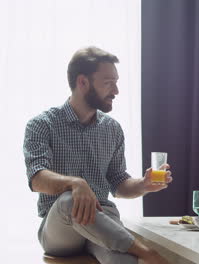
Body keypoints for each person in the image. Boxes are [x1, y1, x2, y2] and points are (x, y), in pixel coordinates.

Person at [23, 46, 172, 264]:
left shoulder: (112, 129)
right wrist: (76, 184)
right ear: (83, 82)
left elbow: (118, 183)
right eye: (108, 83)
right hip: (60, 228)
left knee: (121, 261)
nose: (116, 91)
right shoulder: (42, 124)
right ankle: (146, 252)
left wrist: (143, 184)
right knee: (69, 200)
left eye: (116, 82)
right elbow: (37, 179)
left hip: (102, 220)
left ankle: (135, 254)